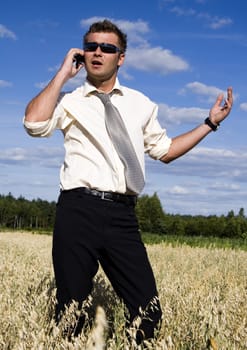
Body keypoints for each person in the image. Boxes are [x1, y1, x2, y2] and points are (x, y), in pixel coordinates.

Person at [23, 19, 233, 344]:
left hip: (123, 216)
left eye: (107, 48)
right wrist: (64, 73)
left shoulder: (142, 104)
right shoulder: (68, 99)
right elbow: (33, 124)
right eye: (91, 46)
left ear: (120, 57)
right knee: (72, 310)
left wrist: (209, 123)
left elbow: (164, 151)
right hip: (78, 210)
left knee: (148, 309)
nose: (98, 53)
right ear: (82, 54)